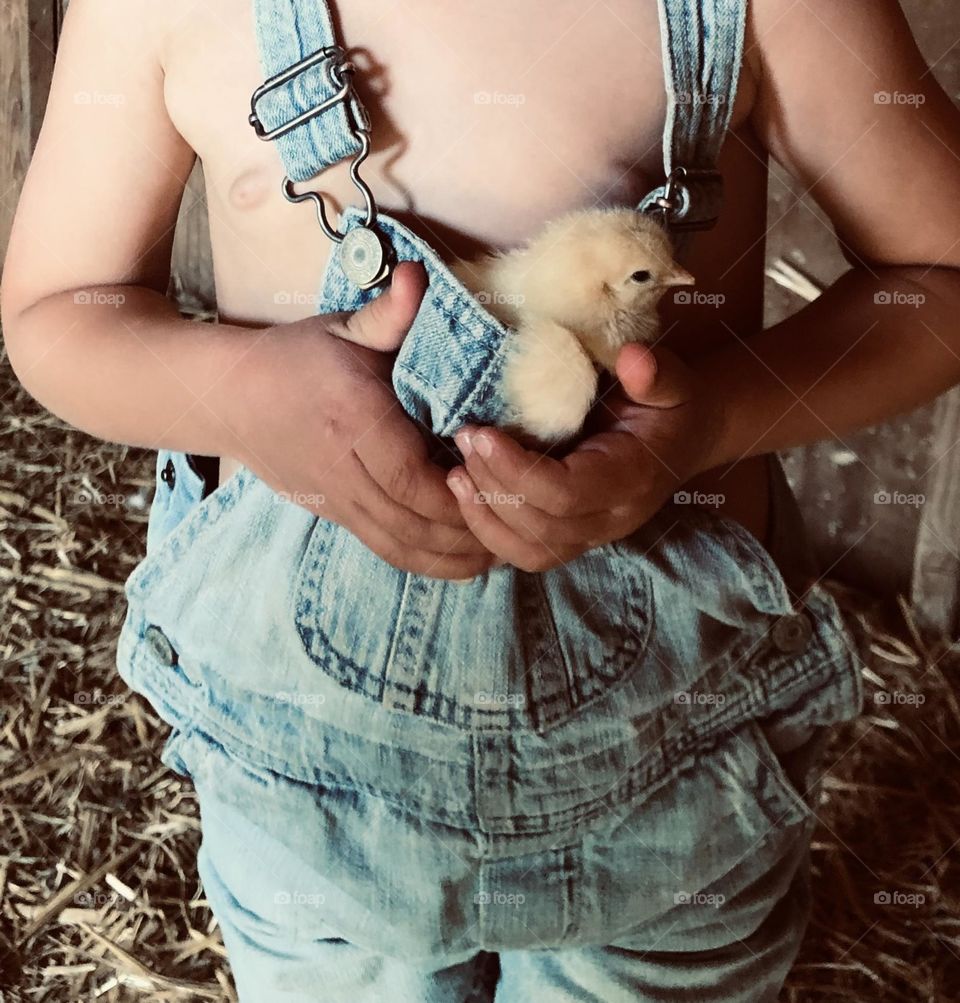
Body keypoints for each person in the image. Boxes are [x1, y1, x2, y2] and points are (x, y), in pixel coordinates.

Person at [2, 1, 959, 999]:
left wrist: (710, 421)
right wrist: (244, 396)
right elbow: (57, 309)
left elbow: (940, 271)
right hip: (310, 807)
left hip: (670, 796)